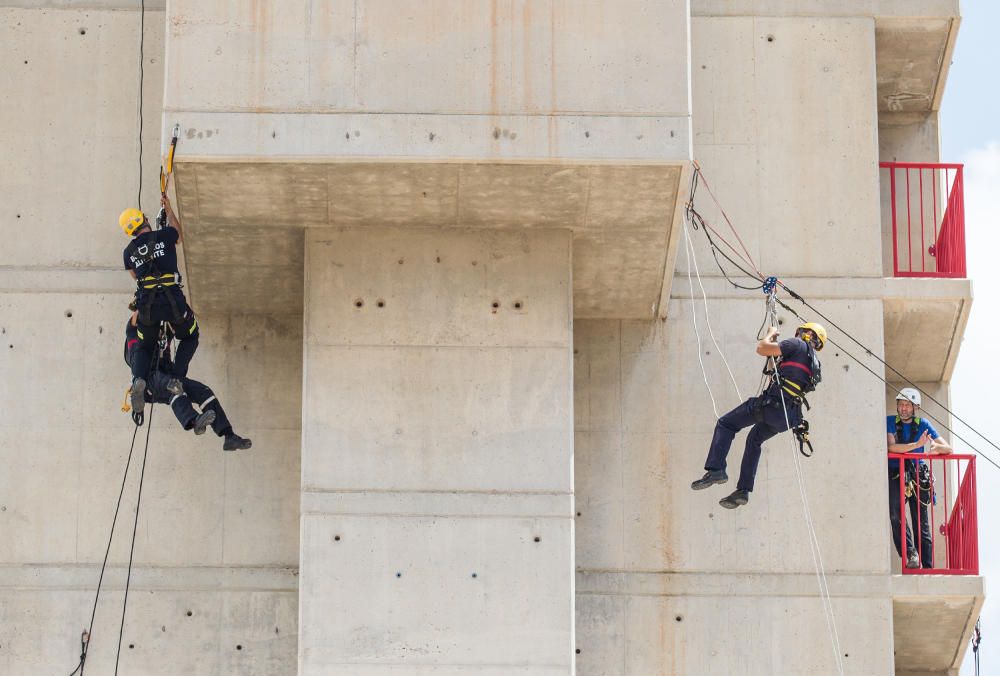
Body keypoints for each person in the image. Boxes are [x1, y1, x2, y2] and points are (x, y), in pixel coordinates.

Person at [691, 322, 827, 509]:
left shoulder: (796, 344)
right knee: (754, 440)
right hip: (788, 416)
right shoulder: (815, 363)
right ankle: (743, 490)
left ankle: (716, 469)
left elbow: (762, 349)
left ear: (805, 334)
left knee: (726, 424)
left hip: (772, 404)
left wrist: (770, 335)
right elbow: (775, 374)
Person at [120, 195, 199, 416]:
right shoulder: (164, 236)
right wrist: (169, 209)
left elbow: (135, 276)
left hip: (147, 309)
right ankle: (176, 378)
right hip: (173, 303)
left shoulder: (128, 253)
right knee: (190, 336)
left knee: (144, 346)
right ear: (144, 220)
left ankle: (138, 379)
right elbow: (179, 235)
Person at [124, 316, 252, 451]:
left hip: (166, 379)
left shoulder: (165, 332)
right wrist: (144, 303)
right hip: (147, 382)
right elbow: (133, 322)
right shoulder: (135, 335)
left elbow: (178, 326)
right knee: (174, 387)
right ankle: (194, 421)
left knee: (203, 391)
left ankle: (228, 435)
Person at [887, 388, 951, 569]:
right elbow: (892, 448)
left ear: (915, 408)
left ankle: (927, 565)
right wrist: (917, 445)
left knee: (921, 522)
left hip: (917, 474)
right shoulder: (890, 422)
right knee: (895, 513)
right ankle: (910, 554)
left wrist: (934, 448)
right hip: (896, 473)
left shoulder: (923, 424)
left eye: (907, 405)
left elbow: (948, 448)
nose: (904, 408)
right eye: (901, 405)